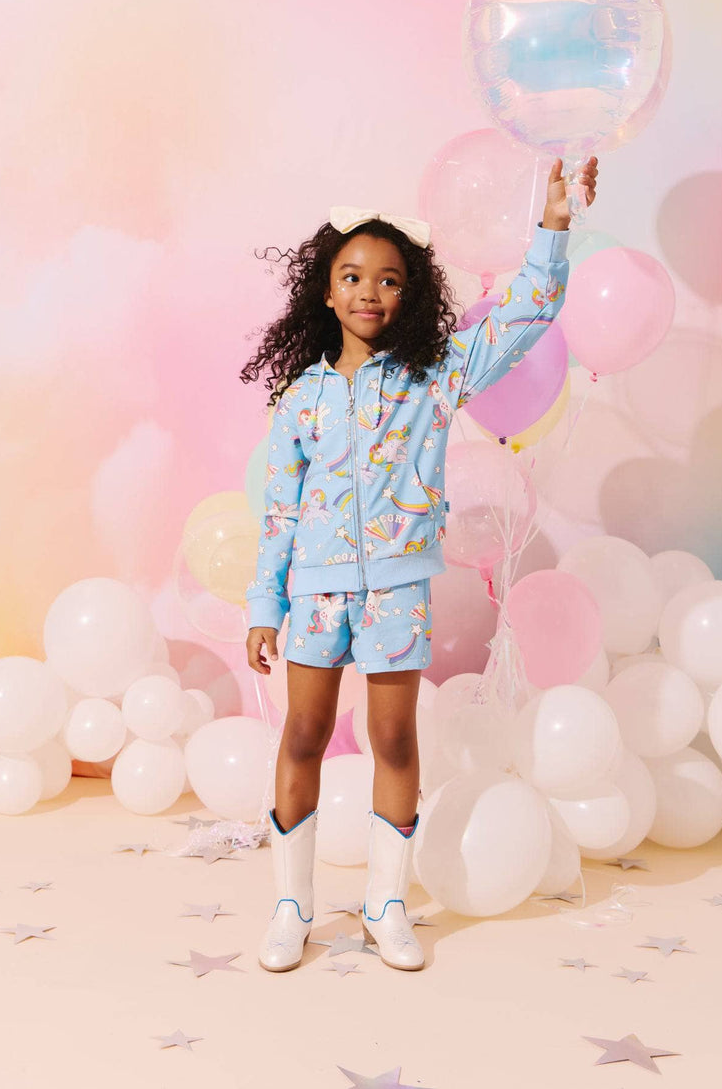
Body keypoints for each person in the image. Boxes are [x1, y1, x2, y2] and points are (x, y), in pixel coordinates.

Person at [240, 157, 599, 973]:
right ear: (325, 291)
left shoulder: (433, 379)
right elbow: (280, 512)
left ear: (411, 294)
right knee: (303, 732)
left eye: (390, 279)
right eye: (352, 276)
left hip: (397, 590)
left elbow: (526, 315)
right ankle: (292, 906)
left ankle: (385, 904)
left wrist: (553, 227)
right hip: (317, 594)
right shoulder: (300, 400)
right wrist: (265, 604)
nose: (370, 291)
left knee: (395, 736)